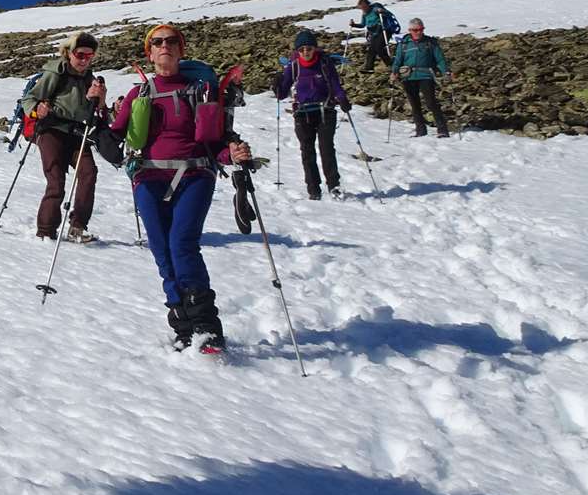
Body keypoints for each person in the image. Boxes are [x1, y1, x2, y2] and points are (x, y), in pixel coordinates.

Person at [110, 25, 252, 353]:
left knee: (182, 244)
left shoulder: (201, 91)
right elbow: (115, 136)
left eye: (172, 41)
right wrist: (95, 109)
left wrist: (230, 154)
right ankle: (182, 324)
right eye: (157, 42)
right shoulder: (138, 94)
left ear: (181, 50)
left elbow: (216, 141)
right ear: (149, 54)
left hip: (194, 174)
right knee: (162, 250)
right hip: (148, 178)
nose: (165, 46)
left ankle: (206, 326)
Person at [21, 31, 108, 242]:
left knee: (89, 173)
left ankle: (77, 226)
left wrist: (100, 100)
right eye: (80, 55)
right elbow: (29, 99)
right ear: (69, 53)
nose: (84, 60)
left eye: (89, 56)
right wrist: (37, 110)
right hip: (51, 130)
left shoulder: (90, 79)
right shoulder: (55, 73)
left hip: (77, 133)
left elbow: (95, 113)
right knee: (56, 180)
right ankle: (46, 231)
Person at [273, 29, 350, 200]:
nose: (305, 52)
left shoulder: (325, 64)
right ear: (297, 51)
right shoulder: (293, 67)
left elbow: (335, 84)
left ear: (315, 48)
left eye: (308, 48)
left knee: (326, 148)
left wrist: (342, 99)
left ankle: (334, 185)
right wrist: (277, 85)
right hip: (302, 114)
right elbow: (282, 93)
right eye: (301, 49)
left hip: (325, 111)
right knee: (307, 151)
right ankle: (313, 189)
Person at [391, 17, 451, 137]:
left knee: (431, 102)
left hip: (426, 75)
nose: (418, 32)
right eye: (415, 30)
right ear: (410, 30)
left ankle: (442, 129)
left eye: (421, 29)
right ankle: (420, 130)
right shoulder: (403, 44)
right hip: (408, 77)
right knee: (414, 104)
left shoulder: (430, 43)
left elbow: (440, 59)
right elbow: (398, 60)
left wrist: (446, 71)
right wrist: (394, 72)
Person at [350, 0, 396, 72]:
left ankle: (390, 64)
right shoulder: (364, 14)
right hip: (374, 33)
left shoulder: (375, 9)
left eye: (364, 7)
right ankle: (369, 68)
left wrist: (382, 11)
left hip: (383, 31)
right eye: (361, 8)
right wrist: (354, 25)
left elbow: (386, 13)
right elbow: (363, 25)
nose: (363, 9)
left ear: (368, 5)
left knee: (379, 47)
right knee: (371, 50)